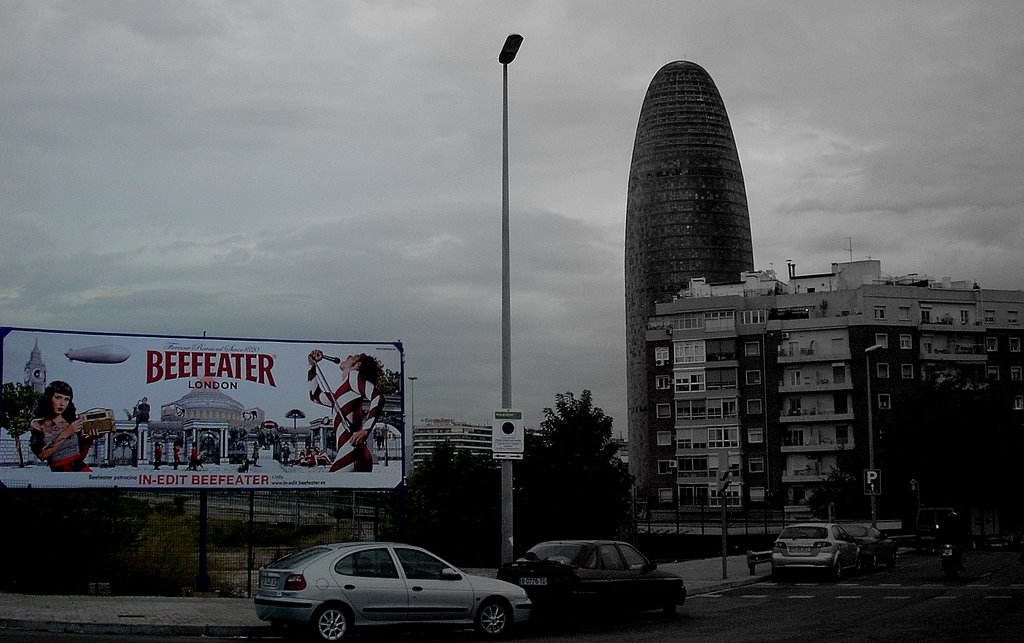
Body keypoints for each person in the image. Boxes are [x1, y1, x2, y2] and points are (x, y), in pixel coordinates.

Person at [307, 350, 383, 472]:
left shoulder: (354, 376)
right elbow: (315, 396)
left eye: (354, 356)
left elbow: (378, 397)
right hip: (355, 452)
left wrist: (365, 430)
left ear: (358, 365)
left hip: (351, 451)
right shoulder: (341, 393)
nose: (349, 355)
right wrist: (312, 365)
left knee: (330, 488)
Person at [29, 380, 94, 472]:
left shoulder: (72, 422)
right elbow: (42, 455)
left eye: (66, 399)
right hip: (59, 474)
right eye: (58, 397)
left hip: (81, 470)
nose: (62, 403)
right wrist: (66, 433)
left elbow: (80, 456)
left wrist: (90, 439)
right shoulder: (38, 424)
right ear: (49, 398)